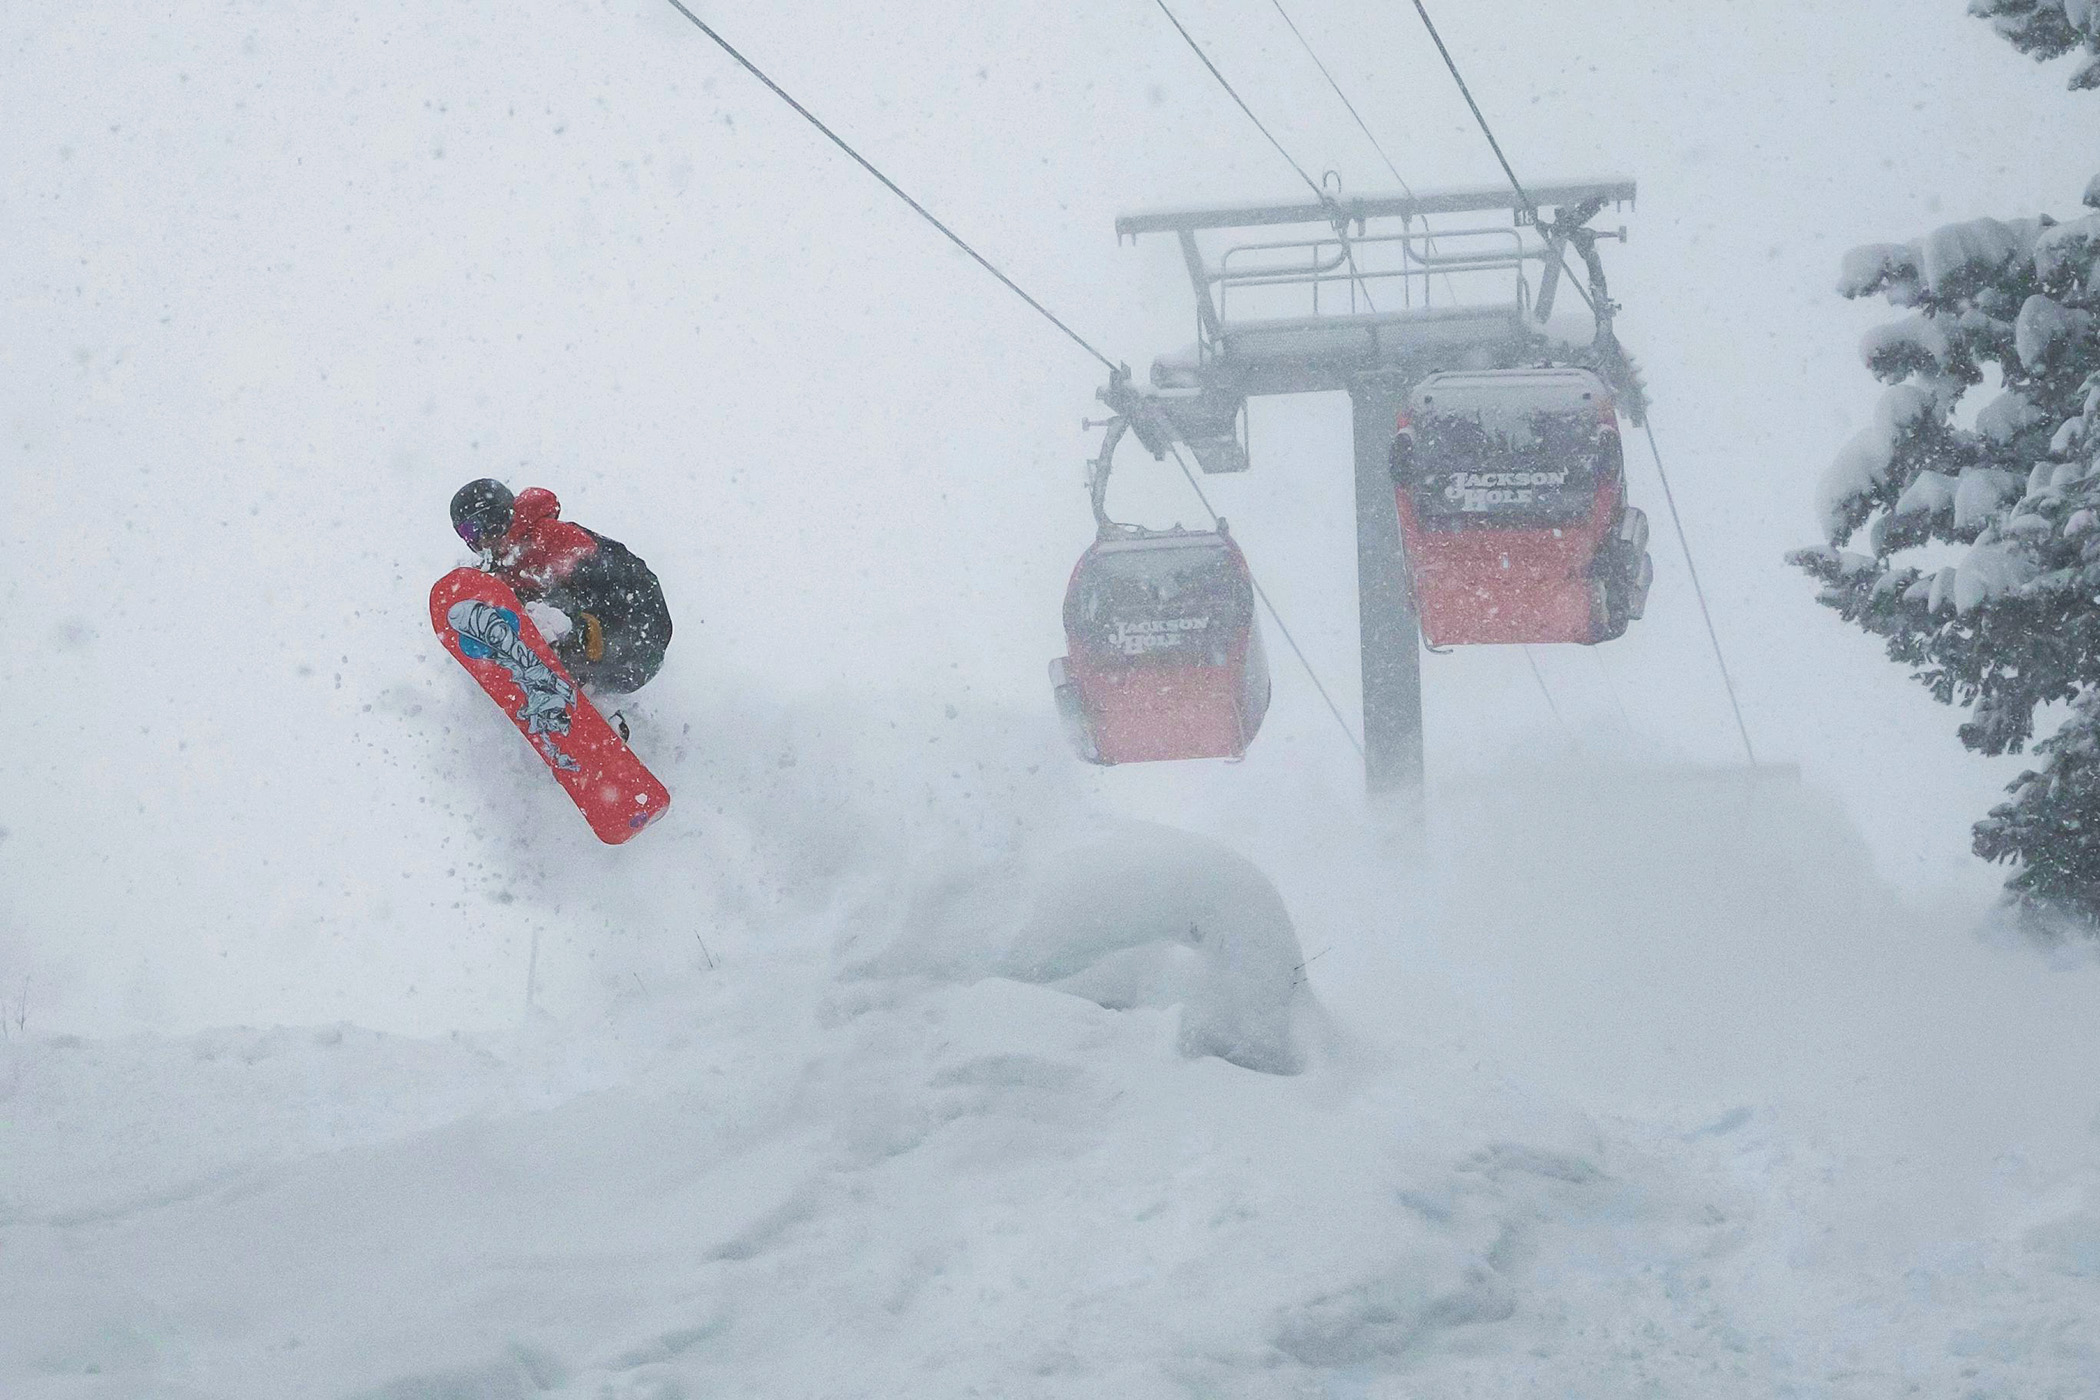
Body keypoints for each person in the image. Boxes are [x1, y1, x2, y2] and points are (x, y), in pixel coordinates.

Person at [449, 478, 673, 698]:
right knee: (520, 620)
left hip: (638, 632)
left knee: (538, 620)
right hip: (617, 663)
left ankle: (560, 672)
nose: (478, 540)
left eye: (478, 528)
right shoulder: (507, 562)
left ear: (497, 517)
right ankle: (604, 714)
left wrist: (569, 622)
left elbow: (605, 582)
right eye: (467, 534)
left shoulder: (551, 537)